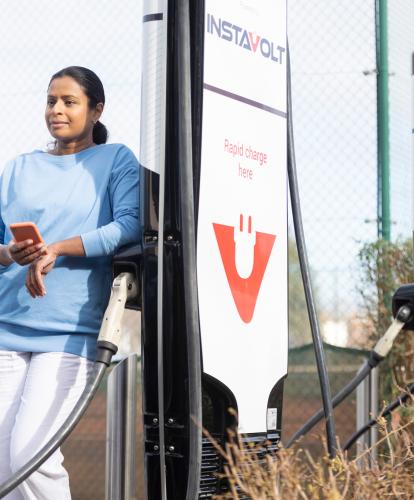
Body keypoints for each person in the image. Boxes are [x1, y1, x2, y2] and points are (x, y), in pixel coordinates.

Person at [0, 66, 140, 499]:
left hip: (69, 333)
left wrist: (57, 248)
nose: (56, 110)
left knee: (30, 457)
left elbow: (130, 226)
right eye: (50, 101)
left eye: (69, 102)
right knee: (4, 465)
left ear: (96, 110)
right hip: (6, 328)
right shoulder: (19, 167)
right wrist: (12, 254)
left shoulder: (115, 160)